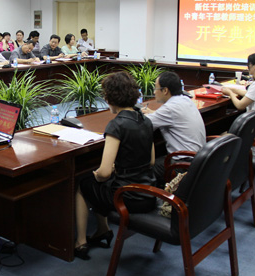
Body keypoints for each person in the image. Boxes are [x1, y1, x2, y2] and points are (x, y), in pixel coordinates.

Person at [75, 72, 156, 260]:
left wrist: (98, 174)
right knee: (102, 185)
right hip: (149, 193)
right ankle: (102, 230)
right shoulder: (146, 121)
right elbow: (151, 161)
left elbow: (104, 173)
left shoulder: (116, 125)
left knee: (84, 185)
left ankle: (80, 242)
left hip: (127, 197)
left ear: (109, 98)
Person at [142, 71, 206, 185]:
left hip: (182, 165)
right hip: (198, 160)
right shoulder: (185, 100)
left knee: (143, 170)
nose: (154, 92)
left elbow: (144, 125)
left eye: (156, 88)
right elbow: (171, 116)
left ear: (165, 90)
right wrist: (153, 113)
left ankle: (153, 195)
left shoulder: (169, 109)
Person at [222, 52, 255, 119]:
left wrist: (230, 93)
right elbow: (250, 94)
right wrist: (234, 90)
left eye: (249, 64)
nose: (248, 67)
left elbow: (240, 106)